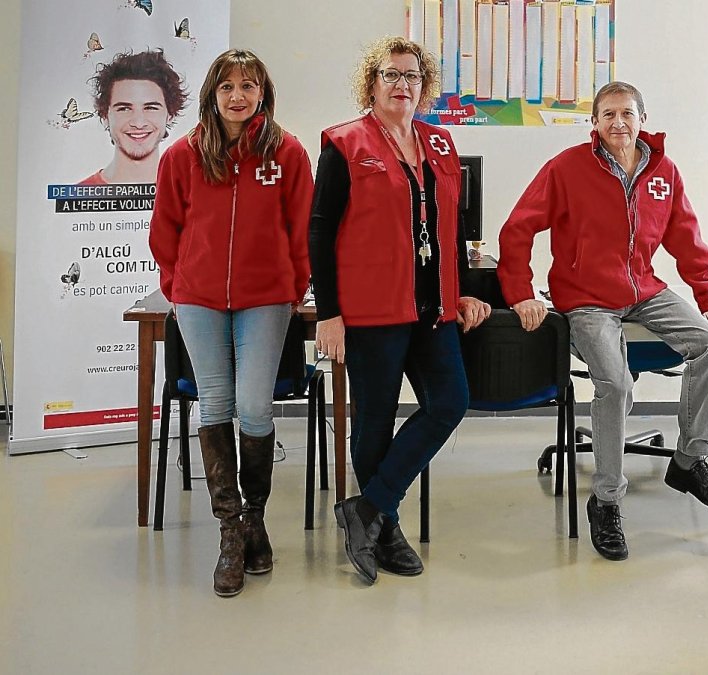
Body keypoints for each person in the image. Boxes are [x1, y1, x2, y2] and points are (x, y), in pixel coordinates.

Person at [498, 81, 708, 563]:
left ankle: (690, 461)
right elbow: (517, 227)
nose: (618, 123)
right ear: (594, 123)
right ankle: (606, 500)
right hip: (586, 299)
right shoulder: (567, 168)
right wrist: (521, 293)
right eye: (607, 114)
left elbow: (686, 237)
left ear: (642, 118)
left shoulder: (662, 170)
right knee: (616, 383)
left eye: (626, 113)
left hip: (644, 290)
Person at [310, 36, 491, 585]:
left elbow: (451, 228)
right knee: (374, 421)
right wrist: (329, 312)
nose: (402, 84)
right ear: (373, 83)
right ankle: (384, 528)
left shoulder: (439, 144)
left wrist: (460, 289)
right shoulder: (344, 143)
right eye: (391, 75)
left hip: (432, 309)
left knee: (450, 401)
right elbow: (319, 231)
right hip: (370, 311)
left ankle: (368, 507)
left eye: (412, 76)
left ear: (424, 87)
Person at [150, 49, 313, 597]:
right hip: (198, 300)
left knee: (253, 407)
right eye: (227, 87)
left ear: (263, 91)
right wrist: (176, 285)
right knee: (215, 403)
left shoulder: (287, 152)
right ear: (212, 95)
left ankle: (256, 518)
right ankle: (230, 536)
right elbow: (166, 227)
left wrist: (295, 285)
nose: (238, 95)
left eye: (248, 85)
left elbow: (300, 226)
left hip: (266, 298)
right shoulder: (183, 155)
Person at [82, 49, 188, 185]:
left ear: (170, 114)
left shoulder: (188, 194)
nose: (138, 123)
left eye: (150, 108)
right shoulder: (78, 196)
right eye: (124, 109)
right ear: (105, 116)